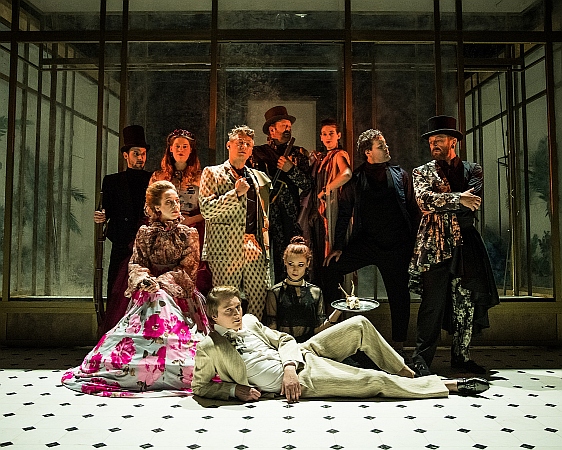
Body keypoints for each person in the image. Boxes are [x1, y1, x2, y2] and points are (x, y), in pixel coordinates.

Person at [191, 286, 490, 402]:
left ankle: (406, 374)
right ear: (214, 315)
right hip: (304, 378)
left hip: (300, 358)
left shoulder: (250, 321)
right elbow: (200, 387)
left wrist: (289, 365)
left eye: (238, 307)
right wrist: (234, 390)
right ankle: (447, 386)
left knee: (358, 324)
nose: (237, 313)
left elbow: (284, 339)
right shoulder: (209, 347)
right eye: (229, 310)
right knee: (372, 381)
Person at [63, 181, 210, 397]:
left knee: (161, 298)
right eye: (168, 202)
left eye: (176, 201)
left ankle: (172, 364)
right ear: (157, 207)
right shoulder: (145, 233)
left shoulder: (189, 234)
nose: (175, 206)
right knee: (152, 301)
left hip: (177, 291)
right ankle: (143, 365)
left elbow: (188, 269)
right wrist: (145, 279)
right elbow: (137, 263)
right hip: (149, 290)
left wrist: (161, 283)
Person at [409, 115, 500, 376]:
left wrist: (446, 203)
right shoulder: (421, 172)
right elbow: (425, 201)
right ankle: (421, 359)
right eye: (431, 141)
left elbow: (473, 203)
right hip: (435, 244)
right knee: (432, 303)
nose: (433, 144)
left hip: (466, 243)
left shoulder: (473, 169)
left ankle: (462, 356)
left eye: (439, 139)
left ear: (453, 141)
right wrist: (459, 199)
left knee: (465, 303)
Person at [323, 129, 420, 353]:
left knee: (399, 295)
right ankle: (331, 330)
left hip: (396, 246)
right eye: (381, 146)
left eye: (385, 144)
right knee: (331, 268)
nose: (387, 148)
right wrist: (338, 246)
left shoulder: (400, 175)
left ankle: (398, 346)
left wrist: (416, 244)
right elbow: (344, 213)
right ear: (368, 152)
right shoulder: (357, 179)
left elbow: (413, 210)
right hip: (367, 243)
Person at [199, 125, 271, 319]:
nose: (243, 147)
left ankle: (253, 332)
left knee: (258, 296)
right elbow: (206, 210)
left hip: (252, 244)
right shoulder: (212, 173)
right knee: (226, 300)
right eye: (239, 142)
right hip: (224, 247)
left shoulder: (256, 177)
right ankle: (226, 334)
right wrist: (235, 194)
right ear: (228, 145)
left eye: (248, 144)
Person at [95, 125, 152, 333]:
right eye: (136, 153)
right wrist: (101, 216)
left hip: (146, 245)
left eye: (143, 154)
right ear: (126, 155)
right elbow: (105, 210)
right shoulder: (112, 181)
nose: (140, 158)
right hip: (121, 243)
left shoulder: (153, 179)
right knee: (116, 289)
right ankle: (114, 331)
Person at [251, 106, 312, 283]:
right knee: (261, 259)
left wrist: (290, 169)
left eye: (289, 126)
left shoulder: (299, 153)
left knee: (291, 259)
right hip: (264, 214)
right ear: (272, 130)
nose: (288, 129)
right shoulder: (257, 153)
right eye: (283, 125)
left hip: (290, 216)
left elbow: (307, 185)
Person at [149, 129, 212, 296]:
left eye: (185, 146)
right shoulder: (158, 176)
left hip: (193, 229)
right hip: (163, 229)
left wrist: (190, 220)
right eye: (177, 146)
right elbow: (149, 206)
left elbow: (209, 209)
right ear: (170, 149)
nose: (181, 150)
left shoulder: (202, 177)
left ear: (191, 150)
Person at [264, 236, 342, 343]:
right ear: (285, 262)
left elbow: (319, 330)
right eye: (291, 264)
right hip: (284, 345)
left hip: (310, 345)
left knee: (358, 323)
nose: (295, 270)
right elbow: (271, 330)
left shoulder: (316, 292)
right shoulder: (275, 292)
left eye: (300, 265)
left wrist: (340, 309)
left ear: (307, 264)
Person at [305, 118, 352, 287]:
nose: (327, 137)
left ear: (338, 135)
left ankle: (335, 291)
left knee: (331, 253)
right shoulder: (322, 158)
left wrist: (326, 190)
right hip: (320, 214)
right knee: (319, 256)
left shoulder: (339, 154)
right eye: (324, 134)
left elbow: (347, 173)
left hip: (333, 211)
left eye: (331, 133)